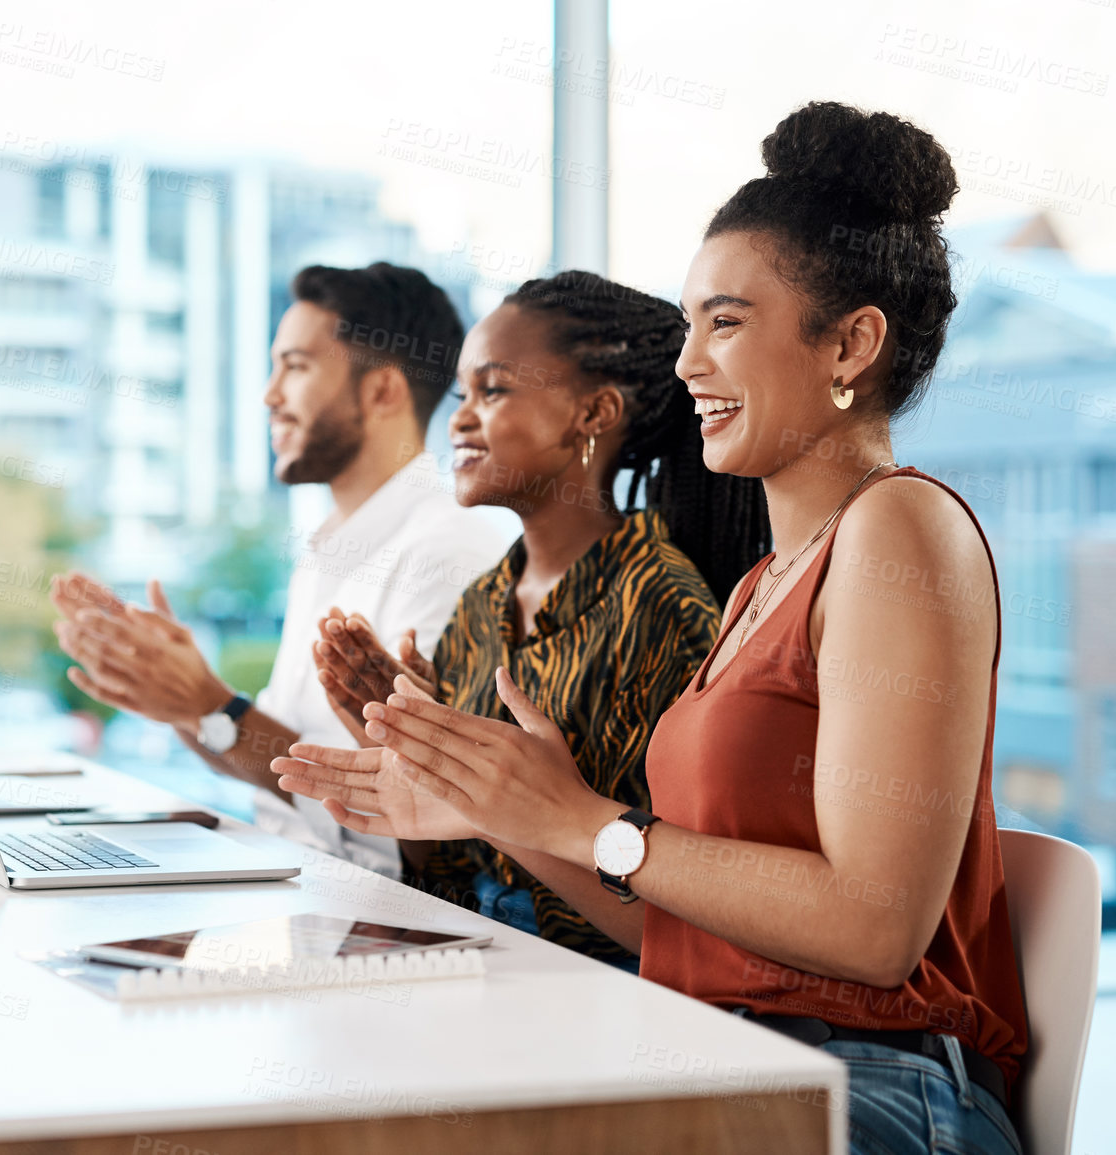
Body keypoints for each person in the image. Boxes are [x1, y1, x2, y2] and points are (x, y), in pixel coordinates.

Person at [277, 102, 1028, 1155]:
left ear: (852, 341)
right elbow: (678, 929)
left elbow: (874, 926)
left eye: (725, 322)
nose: (686, 365)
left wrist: (588, 822)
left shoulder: (901, 530)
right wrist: (504, 811)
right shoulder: (762, 586)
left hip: (866, 1091)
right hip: (718, 1047)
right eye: (687, 326)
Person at [305, 270, 769, 970]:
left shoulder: (664, 609)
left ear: (593, 413)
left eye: (492, 390)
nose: (459, 417)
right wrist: (418, 762)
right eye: (461, 394)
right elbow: (449, 869)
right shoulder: (481, 604)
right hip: (474, 958)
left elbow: (679, 924)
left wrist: (498, 804)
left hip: (597, 984)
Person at [51, 262, 509, 878]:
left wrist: (212, 705)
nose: (270, 395)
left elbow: (411, 811)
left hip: (376, 909)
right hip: (299, 879)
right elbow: (271, 760)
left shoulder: (448, 552)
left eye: (294, 366)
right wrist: (177, 699)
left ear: (382, 392)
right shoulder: (328, 549)